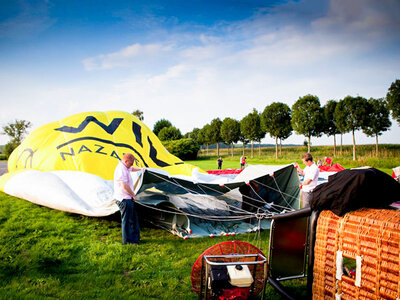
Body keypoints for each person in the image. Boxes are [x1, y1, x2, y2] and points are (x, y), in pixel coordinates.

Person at [113, 153, 143, 245]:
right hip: (124, 199)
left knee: (133, 218)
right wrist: (133, 195)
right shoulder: (121, 169)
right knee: (127, 221)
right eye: (131, 163)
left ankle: (135, 238)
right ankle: (128, 241)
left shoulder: (125, 166)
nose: (132, 165)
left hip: (127, 198)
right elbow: (124, 186)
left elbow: (132, 168)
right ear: (126, 161)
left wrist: (141, 169)